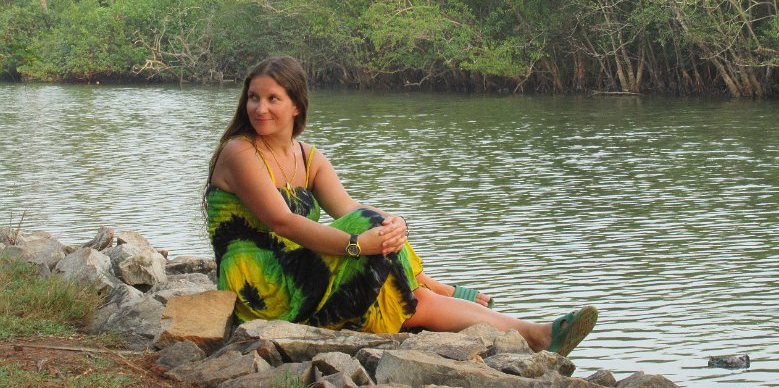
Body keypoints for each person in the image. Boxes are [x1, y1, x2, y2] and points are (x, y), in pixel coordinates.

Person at [205, 56, 597, 356]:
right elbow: (283, 222)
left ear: (296, 106)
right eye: (254, 98)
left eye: (273, 98)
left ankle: (535, 334)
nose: (260, 108)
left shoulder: (309, 157)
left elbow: (347, 209)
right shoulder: (240, 152)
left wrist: (395, 224)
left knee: (399, 282)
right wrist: (358, 245)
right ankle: (448, 292)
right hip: (261, 285)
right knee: (391, 272)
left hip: (302, 271)